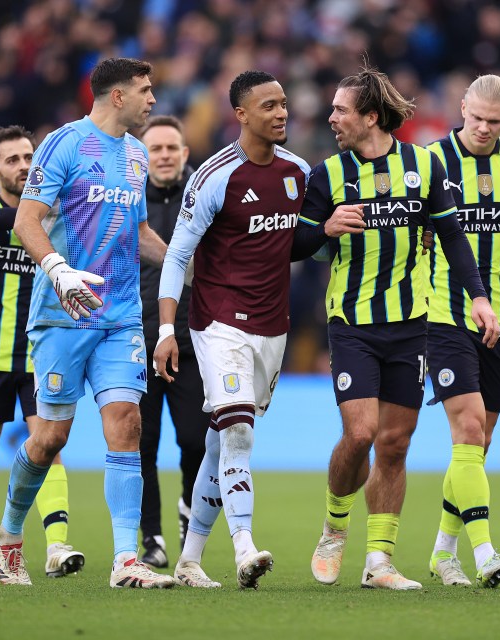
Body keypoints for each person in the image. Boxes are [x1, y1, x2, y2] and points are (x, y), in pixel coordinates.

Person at [294, 62, 498, 591]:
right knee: (360, 433)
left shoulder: (423, 166)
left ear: (369, 116)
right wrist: (323, 228)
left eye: (341, 110)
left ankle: (379, 561)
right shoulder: (327, 175)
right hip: (352, 323)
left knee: (395, 444)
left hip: (412, 324)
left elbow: (452, 237)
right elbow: (293, 243)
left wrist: (478, 297)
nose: (332, 117)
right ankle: (335, 527)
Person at [0, 57, 175, 589]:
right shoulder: (63, 144)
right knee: (50, 439)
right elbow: (27, 220)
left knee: (126, 422)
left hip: (119, 317)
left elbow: (139, 233)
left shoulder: (137, 155)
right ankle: (9, 536)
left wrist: (186, 264)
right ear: (117, 96)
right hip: (62, 314)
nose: (152, 100)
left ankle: (125, 560)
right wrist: (59, 271)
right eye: (145, 90)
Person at [154, 70, 310, 590]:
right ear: (241, 115)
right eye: (268, 106)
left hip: (273, 327)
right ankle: (244, 546)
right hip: (219, 321)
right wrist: (167, 328)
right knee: (239, 430)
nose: (281, 112)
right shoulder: (215, 176)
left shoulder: (298, 171)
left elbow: (314, 236)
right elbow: (177, 254)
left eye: (283, 103)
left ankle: (190, 558)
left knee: (222, 444)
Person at [423, 75, 500, 588]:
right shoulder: (430, 162)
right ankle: (486, 553)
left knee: (477, 444)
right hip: (442, 315)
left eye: (494, 122)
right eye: (475, 118)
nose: (482, 128)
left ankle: (441, 553)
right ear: (462, 108)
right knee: (469, 429)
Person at [0, 125, 83, 578]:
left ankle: (56, 545)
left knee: (49, 444)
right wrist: (37, 211)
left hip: (41, 350)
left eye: (30, 157)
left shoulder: (54, 213)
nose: (25, 166)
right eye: (13, 160)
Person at [135, 115, 207, 570]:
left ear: (185, 155)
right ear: (142, 158)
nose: (163, 155)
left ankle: (186, 509)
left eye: (171, 148)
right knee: (141, 444)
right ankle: (151, 538)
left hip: (191, 342)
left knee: (196, 441)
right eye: (155, 148)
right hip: (135, 342)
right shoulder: (126, 203)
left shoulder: (204, 200)